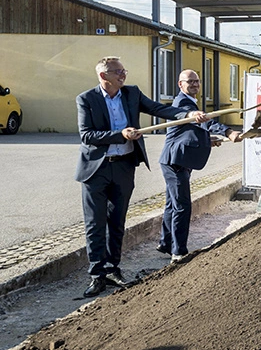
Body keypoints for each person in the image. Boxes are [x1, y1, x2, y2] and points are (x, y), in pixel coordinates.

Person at [75, 57, 207, 297]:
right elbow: (87, 135)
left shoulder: (131, 93)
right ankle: (97, 275)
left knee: (117, 222)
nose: (123, 75)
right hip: (96, 169)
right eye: (118, 72)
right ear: (104, 76)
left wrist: (188, 113)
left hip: (124, 167)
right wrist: (120, 134)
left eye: (124, 70)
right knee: (95, 224)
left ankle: (113, 269)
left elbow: (159, 109)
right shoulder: (86, 99)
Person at [158, 70, 239, 262]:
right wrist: (227, 131)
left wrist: (207, 141)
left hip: (179, 159)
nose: (194, 85)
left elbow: (187, 131)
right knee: (182, 206)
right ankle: (178, 253)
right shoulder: (184, 103)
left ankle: (166, 243)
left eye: (197, 81)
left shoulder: (189, 101)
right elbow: (204, 122)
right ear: (180, 84)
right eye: (190, 82)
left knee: (172, 204)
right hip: (175, 161)